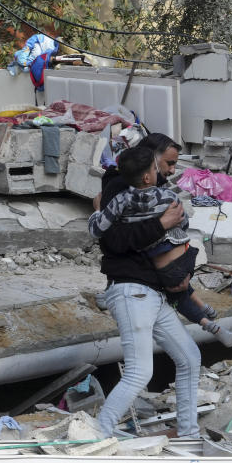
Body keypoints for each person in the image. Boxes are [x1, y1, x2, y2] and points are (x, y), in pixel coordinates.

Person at [89, 134, 203, 438]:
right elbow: (112, 242)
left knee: (189, 357)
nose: (170, 170)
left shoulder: (156, 189)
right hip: (131, 290)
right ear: (148, 163)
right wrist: (161, 224)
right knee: (140, 371)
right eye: (167, 163)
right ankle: (97, 436)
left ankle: (189, 436)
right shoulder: (119, 188)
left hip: (153, 292)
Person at [89, 147, 232, 347]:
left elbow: (96, 230)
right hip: (183, 259)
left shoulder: (120, 200)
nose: (158, 171)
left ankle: (207, 321)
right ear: (147, 177)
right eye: (154, 168)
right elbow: (183, 223)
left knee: (177, 295)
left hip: (161, 267)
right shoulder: (168, 197)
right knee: (180, 289)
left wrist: (97, 210)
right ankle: (206, 312)